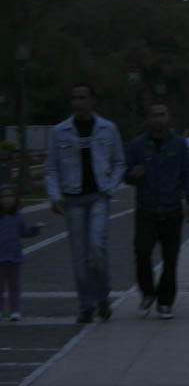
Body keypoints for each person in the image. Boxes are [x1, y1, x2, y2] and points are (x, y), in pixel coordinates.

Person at [44, 84, 125, 323]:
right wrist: (55, 195)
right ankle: (86, 304)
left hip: (98, 197)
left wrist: (110, 188)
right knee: (79, 257)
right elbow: (51, 168)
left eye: (82, 97)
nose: (77, 102)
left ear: (92, 100)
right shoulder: (60, 131)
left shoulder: (108, 129)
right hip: (73, 199)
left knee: (97, 248)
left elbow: (120, 162)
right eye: (74, 98)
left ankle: (102, 295)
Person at [124, 101, 189, 319]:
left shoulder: (179, 145)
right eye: (154, 114)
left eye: (162, 114)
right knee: (142, 253)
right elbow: (124, 174)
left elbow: (187, 175)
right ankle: (147, 291)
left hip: (172, 209)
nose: (158, 118)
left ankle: (165, 301)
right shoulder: (137, 145)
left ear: (168, 117)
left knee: (170, 258)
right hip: (147, 209)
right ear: (148, 118)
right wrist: (132, 175)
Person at [0, 185, 45, 321]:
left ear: (15, 199)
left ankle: (15, 310)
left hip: (14, 257)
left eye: (10, 196)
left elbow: (24, 232)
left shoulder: (18, 217)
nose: (7, 199)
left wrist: (36, 228)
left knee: (14, 285)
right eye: (3, 196)